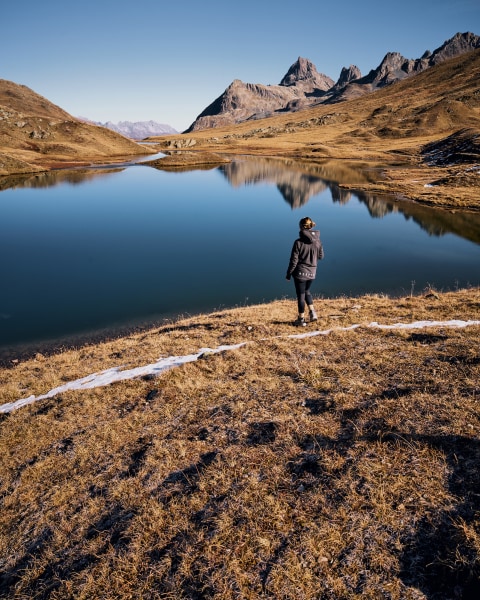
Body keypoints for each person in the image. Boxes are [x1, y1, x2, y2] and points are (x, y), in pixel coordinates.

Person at [286, 217, 324, 326]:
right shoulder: (318, 241)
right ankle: (313, 313)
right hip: (312, 273)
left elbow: (294, 260)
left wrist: (288, 274)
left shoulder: (298, 242)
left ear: (302, 227)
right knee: (307, 291)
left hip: (300, 273)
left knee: (301, 295)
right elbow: (321, 256)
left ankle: (301, 320)